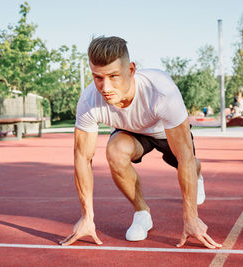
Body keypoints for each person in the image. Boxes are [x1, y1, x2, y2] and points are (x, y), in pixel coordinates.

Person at [60, 36, 220, 249]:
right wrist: (87, 216)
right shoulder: (90, 100)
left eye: (114, 76)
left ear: (131, 70)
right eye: (98, 77)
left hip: (164, 130)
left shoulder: (161, 91)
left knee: (189, 161)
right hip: (131, 132)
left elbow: (185, 157)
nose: (105, 87)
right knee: (115, 152)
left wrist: (191, 218)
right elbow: (82, 157)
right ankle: (142, 213)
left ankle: (198, 176)